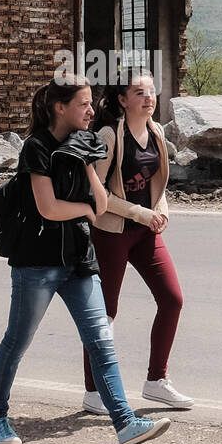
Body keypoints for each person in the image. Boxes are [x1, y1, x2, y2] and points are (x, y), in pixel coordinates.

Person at [0, 74, 171, 444]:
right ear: (60, 108)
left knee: (102, 341)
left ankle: (126, 424)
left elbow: (102, 205)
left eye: (91, 103)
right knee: (17, 342)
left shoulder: (86, 142)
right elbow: (48, 207)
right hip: (37, 263)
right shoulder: (35, 147)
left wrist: (86, 161)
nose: (91, 110)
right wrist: (85, 207)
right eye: (84, 104)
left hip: (79, 262)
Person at [80, 68, 194, 415]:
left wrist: (161, 212)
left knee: (172, 300)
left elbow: (156, 184)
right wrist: (142, 214)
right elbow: (96, 195)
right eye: (139, 92)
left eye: (151, 91)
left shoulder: (157, 132)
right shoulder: (108, 137)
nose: (148, 97)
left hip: (146, 233)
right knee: (105, 314)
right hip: (112, 233)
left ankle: (156, 381)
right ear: (122, 100)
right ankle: (93, 391)